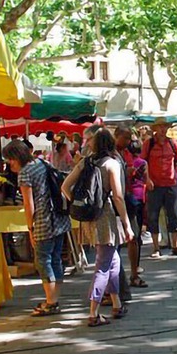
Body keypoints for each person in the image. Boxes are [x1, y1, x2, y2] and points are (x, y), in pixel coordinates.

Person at [63, 128, 133, 327]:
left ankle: (117, 303)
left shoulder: (85, 162)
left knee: (113, 260)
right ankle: (93, 312)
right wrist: (127, 224)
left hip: (89, 218)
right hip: (106, 218)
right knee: (103, 265)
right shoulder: (112, 164)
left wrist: (82, 205)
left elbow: (65, 187)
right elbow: (118, 197)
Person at [6, 141, 71, 317]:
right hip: (59, 217)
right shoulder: (41, 163)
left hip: (43, 221)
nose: (9, 163)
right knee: (56, 258)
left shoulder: (25, 173)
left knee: (42, 261)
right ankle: (54, 298)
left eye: (10, 159)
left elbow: (29, 203)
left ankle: (51, 302)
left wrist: (30, 227)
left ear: (16, 157)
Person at [142, 117, 177, 258]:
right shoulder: (148, 144)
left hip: (171, 184)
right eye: (160, 127)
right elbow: (143, 163)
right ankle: (156, 248)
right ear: (155, 129)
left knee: (174, 215)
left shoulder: (172, 143)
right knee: (153, 216)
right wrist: (147, 179)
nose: (163, 129)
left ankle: (175, 246)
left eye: (165, 127)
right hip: (154, 186)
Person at [114, 126, 147, 291]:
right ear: (117, 136)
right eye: (126, 138)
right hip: (114, 201)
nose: (128, 142)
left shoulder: (126, 153)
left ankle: (134, 273)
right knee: (115, 243)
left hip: (127, 197)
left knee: (133, 236)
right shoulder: (110, 153)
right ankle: (116, 281)